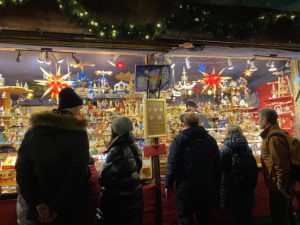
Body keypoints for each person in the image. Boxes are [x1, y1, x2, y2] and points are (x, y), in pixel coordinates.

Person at [16, 87, 90, 225]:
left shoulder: (33, 132)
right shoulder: (78, 133)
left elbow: (22, 170)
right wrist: (56, 208)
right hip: (69, 211)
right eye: (79, 110)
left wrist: (38, 203)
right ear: (75, 109)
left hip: (38, 214)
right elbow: (77, 173)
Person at [165, 113, 221, 225]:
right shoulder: (210, 140)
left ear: (185, 124)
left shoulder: (179, 140)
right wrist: (215, 183)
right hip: (206, 186)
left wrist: (168, 183)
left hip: (186, 187)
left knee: (185, 219)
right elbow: (217, 164)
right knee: (205, 218)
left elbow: (173, 163)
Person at [96, 116, 143, 225]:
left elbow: (104, 179)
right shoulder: (134, 146)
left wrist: (101, 169)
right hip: (132, 200)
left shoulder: (117, 150)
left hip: (118, 204)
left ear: (114, 131)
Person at [219, 124, 258, 225]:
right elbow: (254, 168)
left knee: (235, 215)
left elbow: (219, 168)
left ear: (227, 133)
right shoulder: (248, 148)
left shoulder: (224, 149)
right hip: (247, 187)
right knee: (247, 215)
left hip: (231, 188)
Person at [258, 108, 292, 225]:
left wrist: (281, 186)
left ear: (265, 120)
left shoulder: (273, 137)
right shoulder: (275, 134)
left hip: (278, 187)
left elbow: (281, 164)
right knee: (282, 215)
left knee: (279, 217)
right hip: (278, 185)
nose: (258, 122)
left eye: (259, 119)